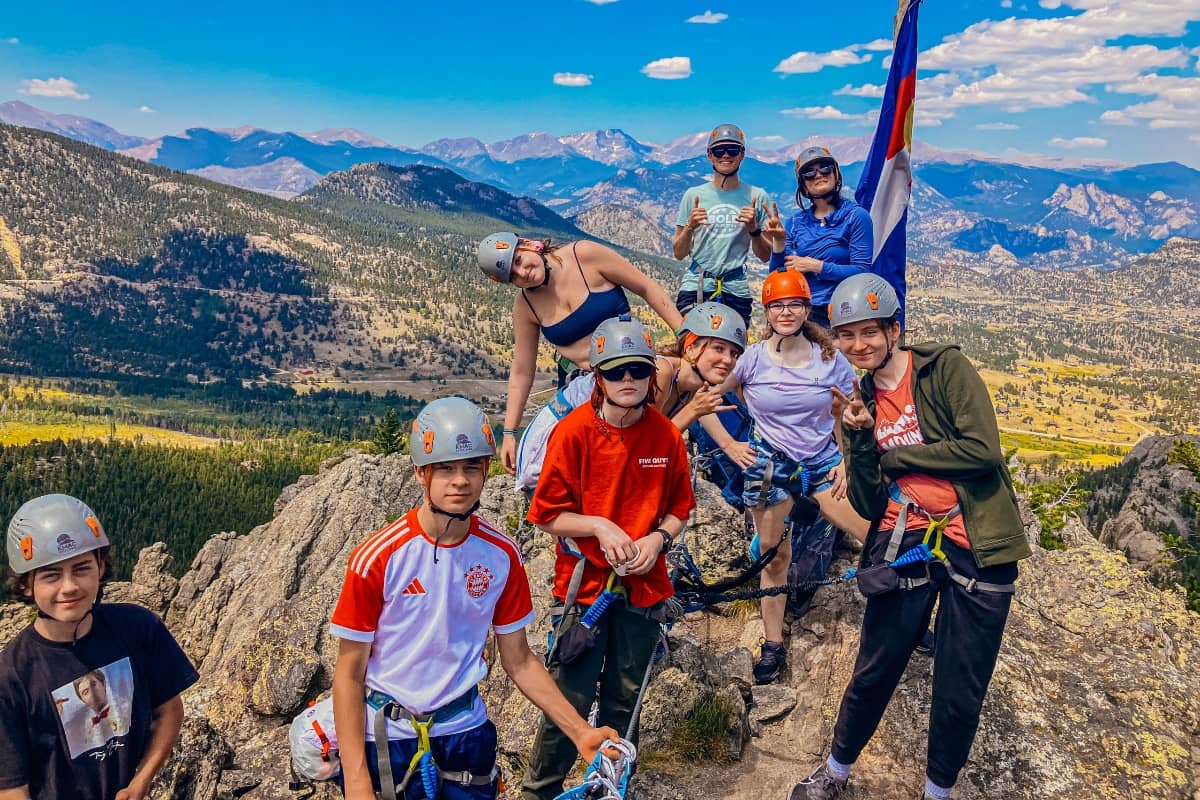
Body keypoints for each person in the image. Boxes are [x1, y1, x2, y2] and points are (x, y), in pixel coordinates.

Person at [789, 274, 1032, 800]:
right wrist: (856, 438)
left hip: (976, 543)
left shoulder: (944, 368)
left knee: (959, 683)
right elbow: (872, 504)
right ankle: (835, 770)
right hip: (907, 539)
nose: (859, 346)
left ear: (894, 329)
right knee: (877, 663)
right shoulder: (864, 395)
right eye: (847, 337)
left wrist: (894, 455)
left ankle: (936, 792)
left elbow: (981, 450)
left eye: (870, 333)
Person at [330, 397, 618, 800]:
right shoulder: (379, 557)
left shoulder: (501, 556)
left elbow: (518, 662)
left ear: (486, 471)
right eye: (445, 468)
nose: (460, 481)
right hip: (386, 740)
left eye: (471, 468)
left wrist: (581, 733)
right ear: (420, 473)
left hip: (464, 733)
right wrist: (357, 780)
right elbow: (348, 674)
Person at [520, 315, 696, 800]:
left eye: (637, 371)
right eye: (615, 372)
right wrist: (599, 525)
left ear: (650, 375)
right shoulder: (574, 433)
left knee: (626, 697)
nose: (627, 381)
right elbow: (547, 514)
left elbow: (680, 507)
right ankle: (541, 791)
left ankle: (611, 786)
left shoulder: (664, 436)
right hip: (586, 589)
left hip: (644, 586)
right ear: (597, 376)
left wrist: (657, 540)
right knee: (570, 697)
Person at [700, 270, 869, 685]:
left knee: (873, 536)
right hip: (771, 468)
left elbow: (853, 407)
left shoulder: (829, 357)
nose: (787, 312)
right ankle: (773, 643)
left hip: (820, 465)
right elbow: (704, 399)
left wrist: (846, 459)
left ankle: (908, 622)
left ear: (806, 308)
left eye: (794, 304)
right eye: (778, 305)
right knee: (775, 558)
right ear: (768, 311)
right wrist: (730, 446)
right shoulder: (752, 359)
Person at [0, 494, 198, 800]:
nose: (69, 587)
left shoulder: (139, 629)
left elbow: (168, 710)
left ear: (101, 567)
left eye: (81, 568)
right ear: (26, 585)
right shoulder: (11, 676)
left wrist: (140, 782)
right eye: (51, 575)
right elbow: (12, 788)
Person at [477, 232, 682, 492]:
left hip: (634, 362)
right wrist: (509, 433)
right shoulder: (526, 306)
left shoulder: (584, 255)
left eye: (518, 260)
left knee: (667, 370)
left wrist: (686, 335)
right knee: (536, 466)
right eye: (512, 276)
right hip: (588, 382)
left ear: (528, 245)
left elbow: (646, 287)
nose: (522, 273)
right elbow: (522, 371)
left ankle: (639, 457)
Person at [672, 124, 772, 328]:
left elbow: (765, 255)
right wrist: (690, 227)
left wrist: (754, 229)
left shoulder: (757, 196)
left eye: (732, 150)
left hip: (735, 287)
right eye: (719, 150)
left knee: (733, 351)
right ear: (710, 155)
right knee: (694, 349)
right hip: (697, 284)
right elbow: (679, 252)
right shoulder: (693, 196)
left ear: (742, 154)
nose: (725, 155)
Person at [766, 146, 873, 328]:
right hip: (806, 315)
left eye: (825, 168)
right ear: (803, 184)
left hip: (845, 312)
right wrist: (779, 243)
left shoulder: (856, 217)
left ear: (835, 174)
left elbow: (862, 271)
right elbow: (778, 276)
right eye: (809, 173)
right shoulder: (795, 222)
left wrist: (817, 266)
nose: (818, 175)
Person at [651, 301, 747, 432]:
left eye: (734, 353)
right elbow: (643, 442)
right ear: (690, 349)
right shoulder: (661, 371)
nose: (728, 360)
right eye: (718, 348)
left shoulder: (692, 387)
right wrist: (692, 410)